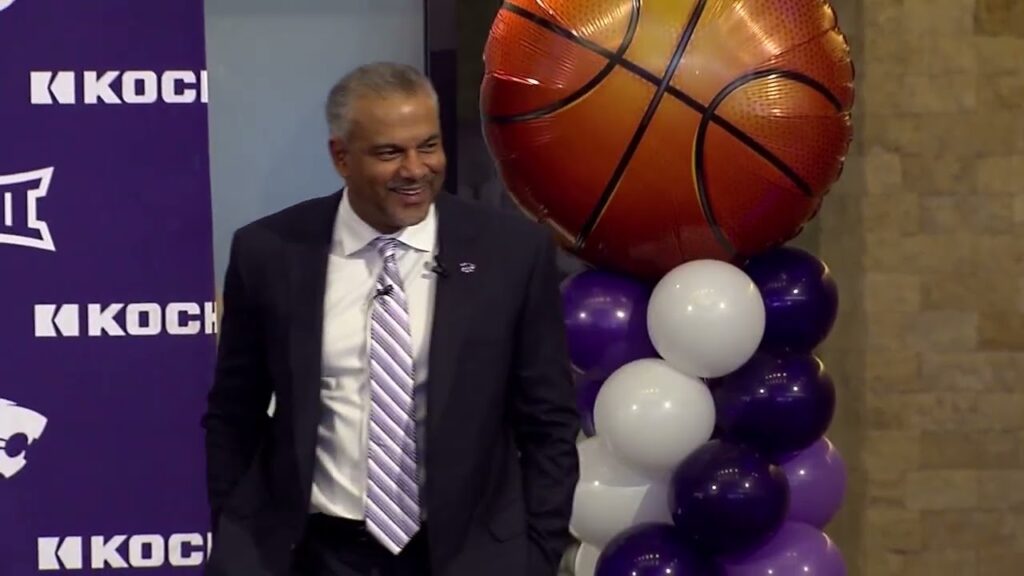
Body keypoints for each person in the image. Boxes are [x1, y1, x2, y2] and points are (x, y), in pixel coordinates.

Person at [201, 61, 580, 576]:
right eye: (389, 152)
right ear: (341, 157)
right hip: (315, 553)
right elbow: (233, 413)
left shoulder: (510, 253)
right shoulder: (269, 252)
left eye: (428, 145)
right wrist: (237, 536)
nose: (415, 169)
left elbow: (549, 421)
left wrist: (535, 554)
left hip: (469, 555)